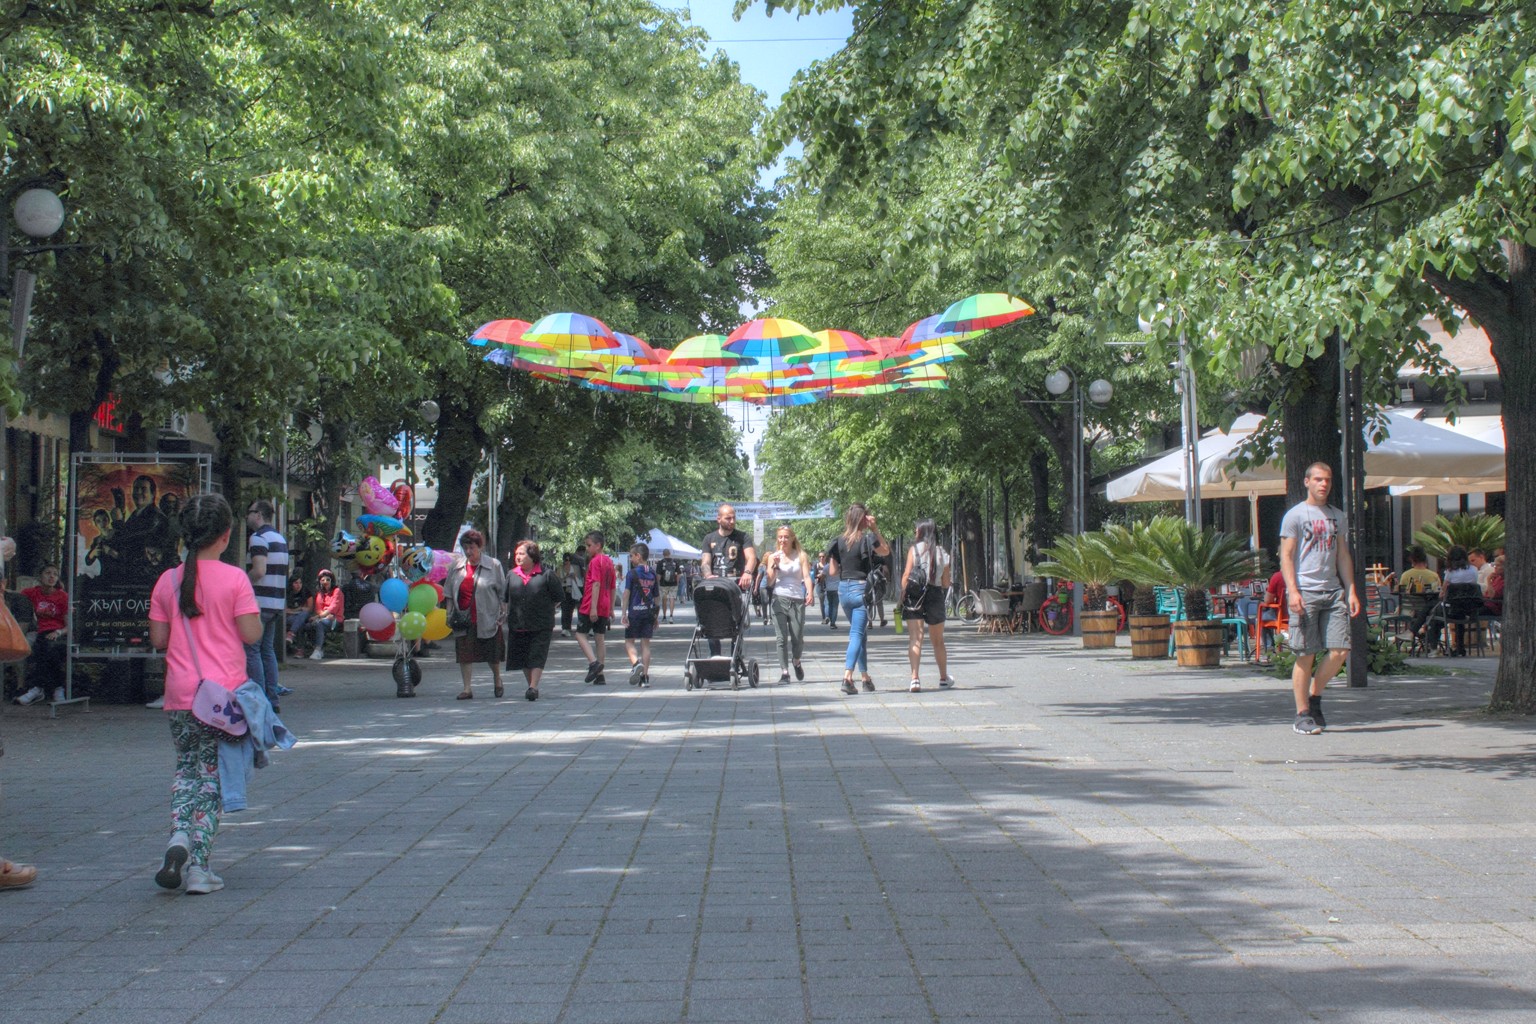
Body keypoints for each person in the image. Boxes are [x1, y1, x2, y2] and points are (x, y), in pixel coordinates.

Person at [147, 493, 263, 895]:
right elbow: (251, 634)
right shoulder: (235, 579)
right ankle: (199, 867)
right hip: (222, 700)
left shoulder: (167, 580)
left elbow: (159, 639)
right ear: (226, 535)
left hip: (180, 695)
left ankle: (178, 836)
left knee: (186, 772)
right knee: (212, 779)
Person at [1278, 462, 1361, 735]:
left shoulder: (1337, 516)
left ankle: (1314, 697)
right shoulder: (1295, 516)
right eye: (1317, 479)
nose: (1323, 484)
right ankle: (1302, 714)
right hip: (1306, 592)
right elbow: (1286, 556)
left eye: (1327, 480)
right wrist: (1293, 590)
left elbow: (1342, 555)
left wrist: (1350, 590)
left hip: (1333, 590)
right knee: (1306, 654)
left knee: (1340, 650)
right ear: (1307, 482)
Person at [827, 502, 890, 695]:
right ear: (864, 519)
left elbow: (832, 571)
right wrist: (875, 528)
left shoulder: (838, 541)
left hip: (843, 591)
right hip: (861, 590)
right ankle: (847, 677)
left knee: (860, 633)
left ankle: (865, 678)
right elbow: (886, 551)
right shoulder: (868, 539)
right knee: (856, 634)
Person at [444, 529, 507, 699]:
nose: (468, 551)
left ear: (479, 546)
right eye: (465, 547)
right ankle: (467, 688)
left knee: (492, 655)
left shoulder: (493, 565)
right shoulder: (456, 567)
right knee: (465, 654)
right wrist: (448, 614)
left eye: (472, 547)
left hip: (487, 616)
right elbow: (449, 592)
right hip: (463, 618)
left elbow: (502, 591)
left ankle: (497, 679)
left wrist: (503, 611)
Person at [504, 540, 564, 701]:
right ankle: (531, 684)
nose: (518, 557)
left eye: (521, 553)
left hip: (541, 624)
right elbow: (505, 598)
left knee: (537, 655)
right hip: (518, 623)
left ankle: (533, 687)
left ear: (532, 556)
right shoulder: (511, 575)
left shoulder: (546, 574)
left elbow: (559, 597)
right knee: (523, 658)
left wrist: (546, 608)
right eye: (516, 554)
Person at [243, 500, 289, 709]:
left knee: (252, 650)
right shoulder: (279, 538)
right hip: (277, 603)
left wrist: (242, 581)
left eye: (250, 512)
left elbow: (259, 570)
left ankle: (260, 699)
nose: (247, 516)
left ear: (259, 515)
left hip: (259, 603)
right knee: (268, 650)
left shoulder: (258, 538)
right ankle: (273, 698)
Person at [901, 519, 955, 692]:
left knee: (916, 638)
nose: (915, 531)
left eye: (916, 529)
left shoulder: (913, 550)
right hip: (934, 595)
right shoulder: (942, 553)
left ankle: (915, 678)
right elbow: (946, 583)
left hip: (914, 596)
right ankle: (943, 678)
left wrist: (902, 596)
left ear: (921, 531)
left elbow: (906, 575)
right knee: (938, 641)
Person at [700, 504, 755, 656]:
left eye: (733, 518)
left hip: (735, 585)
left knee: (738, 623)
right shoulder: (709, 538)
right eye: (728, 518)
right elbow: (705, 562)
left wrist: (748, 572)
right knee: (709, 619)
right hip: (716, 585)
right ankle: (715, 656)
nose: (732, 521)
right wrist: (708, 575)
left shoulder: (742, 537)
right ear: (719, 519)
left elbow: (751, 557)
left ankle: (735, 656)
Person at [764, 526, 814, 684]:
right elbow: (770, 581)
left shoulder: (801, 555)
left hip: (797, 599)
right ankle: (784, 672)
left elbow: (806, 576)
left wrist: (810, 593)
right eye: (780, 537)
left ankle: (796, 661)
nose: (782, 540)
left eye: (786, 537)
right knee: (781, 638)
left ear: (792, 538)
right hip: (779, 598)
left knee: (798, 637)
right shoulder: (773, 557)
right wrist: (775, 566)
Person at [18, 564, 67, 704]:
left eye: (55, 574)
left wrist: (58, 632)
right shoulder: (33, 592)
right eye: (48, 573)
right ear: (40, 576)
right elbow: (14, 595)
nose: (51, 576)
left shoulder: (62, 596)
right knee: (43, 644)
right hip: (42, 632)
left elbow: (69, 626)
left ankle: (38, 688)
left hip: (60, 633)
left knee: (46, 647)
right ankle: (57, 688)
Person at [1423, 545, 1482, 656]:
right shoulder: (1474, 570)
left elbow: (1442, 593)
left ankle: (1433, 647)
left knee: (1432, 615)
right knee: (1459, 618)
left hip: (1452, 610)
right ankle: (1460, 648)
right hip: (1469, 610)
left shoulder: (1450, 572)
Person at [574, 532, 616, 685]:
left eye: (589, 545)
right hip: (604, 604)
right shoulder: (609, 562)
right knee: (600, 638)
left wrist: (593, 608)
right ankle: (600, 675)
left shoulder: (595, 561)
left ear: (598, 546)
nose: (587, 548)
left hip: (592, 603)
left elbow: (596, 583)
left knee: (580, 634)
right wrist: (611, 608)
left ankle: (594, 663)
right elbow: (612, 587)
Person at [619, 542, 659, 687]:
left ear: (638, 556)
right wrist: (656, 616)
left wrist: (624, 613)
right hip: (648, 613)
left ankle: (636, 664)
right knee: (646, 644)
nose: (630, 559)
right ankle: (645, 678)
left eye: (631, 556)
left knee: (629, 641)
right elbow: (657, 597)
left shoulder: (632, 573)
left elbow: (626, 594)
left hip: (635, 612)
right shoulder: (653, 573)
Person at [306, 569, 344, 661]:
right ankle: (311, 648)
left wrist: (321, 616)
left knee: (320, 624)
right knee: (308, 625)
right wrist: (322, 615)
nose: (325, 582)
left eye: (328, 579)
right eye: (322, 580)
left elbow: (333, 608)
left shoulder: (337, 591)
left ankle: (318, 649)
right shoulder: (320, 593)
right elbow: (318, 609)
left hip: (336, 619)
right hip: (323, 617)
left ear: (332, 580)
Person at [284, 575, 314, 654]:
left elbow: (309, 609)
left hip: (304, 616)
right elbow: (285, 610)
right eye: (296, 583)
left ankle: (290, 634)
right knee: (300, 623)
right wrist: (298, 609)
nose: (298, 585)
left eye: (300, 583)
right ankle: (300, 650)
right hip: (291, 617)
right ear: (291, 584)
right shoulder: (287, 593)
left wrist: (298, 611)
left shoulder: (306, 592)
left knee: (303, 614)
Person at [655, 549, 681, 624]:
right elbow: (678, 574)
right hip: (673, 584)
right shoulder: (675, 562)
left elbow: (658, 576)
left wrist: (658, 583)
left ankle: (664, 617)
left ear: (663, 554)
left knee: (664, 600)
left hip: (663, 584)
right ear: (670, 554)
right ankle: (671, 616)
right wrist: (677, 582)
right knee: (672, 599)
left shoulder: (660, 563)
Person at [559, 553, 582, 636]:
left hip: (573, 589)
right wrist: (566, 577)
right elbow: (558, 580)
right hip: (564, 589)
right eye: (565, 560)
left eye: (568, 560)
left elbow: (579, 581)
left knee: (572, 608)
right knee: (565, 609)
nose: (567, 562)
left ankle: (572, 626)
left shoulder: (575, 568)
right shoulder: (560, 568)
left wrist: (574, 577)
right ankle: (565, 627)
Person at [816, 551, 839, 629]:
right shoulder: (839, 566)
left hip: (828, 588)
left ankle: (827, 616)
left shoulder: (826, 567)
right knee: (835, 606)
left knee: (828, 604)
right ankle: (833, 623)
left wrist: (822, 585)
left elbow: (822, 578)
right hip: (837, 589)